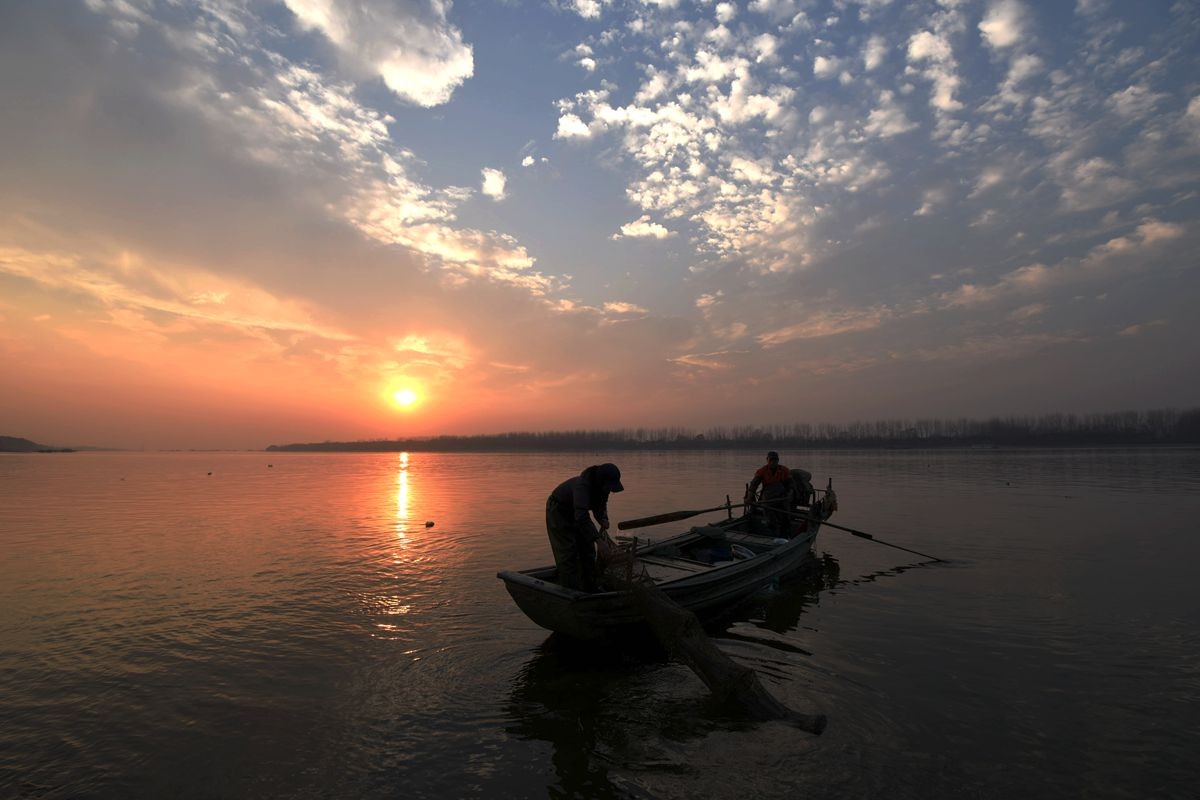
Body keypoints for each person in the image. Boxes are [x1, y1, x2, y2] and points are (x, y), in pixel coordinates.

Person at [546, 463, 624, 592]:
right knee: (568, 553)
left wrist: (603, 519)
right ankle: (570, 590)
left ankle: (590, 587)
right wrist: (599, 541)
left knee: (588, 551)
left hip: (578, 513)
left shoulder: (602, 488)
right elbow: (582, 517)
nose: (610, 490)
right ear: (601, 480)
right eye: (609, 487)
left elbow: (600, 505)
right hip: (559, 510)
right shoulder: (582, 487)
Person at [746, 451, 795, 534]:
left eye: (775, 460)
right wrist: (749, 497)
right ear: (767, 460)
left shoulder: (784, 470)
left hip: (782, 497)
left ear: (778, 460)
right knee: (769, 518)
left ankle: (786, 531)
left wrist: (790, 493)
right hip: (768, 498)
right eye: (771, 460)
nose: (773, 462)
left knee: (786, 516)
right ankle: (773, 531)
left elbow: (791, 483)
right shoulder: (762, 471)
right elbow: (754, 485)